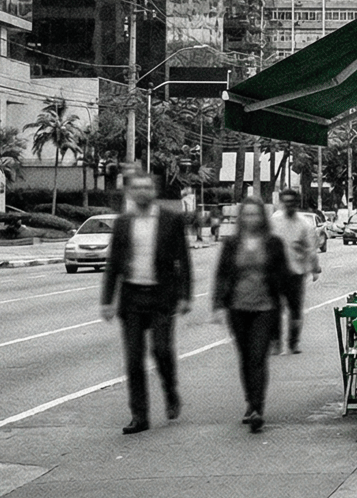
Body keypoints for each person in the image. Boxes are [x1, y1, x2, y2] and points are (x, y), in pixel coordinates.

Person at [99, 168, 194, 435]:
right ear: (130, 192)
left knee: (162, 351)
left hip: (162, 297)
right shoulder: (123, 223)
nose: (142, 192)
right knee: (133, 360)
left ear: (154, 191)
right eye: (137, 188)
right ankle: (139, 416)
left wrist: (186, 295)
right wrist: (107, 300)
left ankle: (170, 390)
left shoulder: (171, 220)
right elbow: (114, 263)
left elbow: (183, 260)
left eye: (147, 187)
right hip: (131, 298)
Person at [212, 198, 290, 433]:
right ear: (240, 218)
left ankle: (257, 407)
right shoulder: (232, 244)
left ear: (262, 218)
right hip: (237, 307)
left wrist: (288, 306)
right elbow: (222, 274)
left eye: (255, 215)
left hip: (265, 308)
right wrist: (217, 304)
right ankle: (249, 400)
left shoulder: (273, 243)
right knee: (245, 357)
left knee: (258, 357)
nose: (251, 219)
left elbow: (283, 277)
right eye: (246, 215)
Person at [268, 189, 320, 355]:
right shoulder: (274, 221)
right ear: (282, 203)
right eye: (286, 202)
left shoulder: (304, 223)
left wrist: (315, 268)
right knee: (274, 309)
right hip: (275, 272)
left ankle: (293, 342)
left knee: (295, 310)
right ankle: (276, 341)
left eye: (292, 202)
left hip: (296, 273)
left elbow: (311, 248)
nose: (289, 205)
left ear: (297, 204)